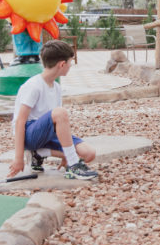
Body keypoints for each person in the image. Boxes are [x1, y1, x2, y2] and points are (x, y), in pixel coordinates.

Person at [9, 39, 98, 180]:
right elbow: (20, 122)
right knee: (60, 112)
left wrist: (67, 149)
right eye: (70, 63)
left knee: (89, 153)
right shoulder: (33, 86)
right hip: (30, 134)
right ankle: (74, 166)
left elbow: (58, 124)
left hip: (48, 133)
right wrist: (18, 157)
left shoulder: (56, 87)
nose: (70, 66)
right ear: (62, 64)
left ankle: (39, 153)